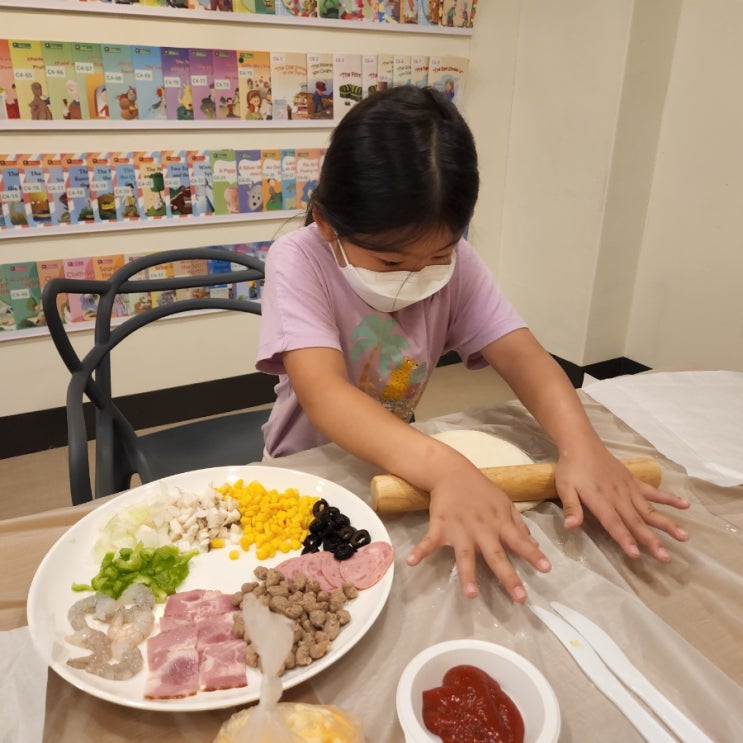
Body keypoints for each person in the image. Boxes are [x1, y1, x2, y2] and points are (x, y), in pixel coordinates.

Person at [256, 85, 690, 603]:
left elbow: (524, 357)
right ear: (328, 224)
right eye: (391, 263)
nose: (417, 274)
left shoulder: (460, 264)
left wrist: (583, 447)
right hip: (309, 468)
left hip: (401, 461)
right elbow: (324, 393)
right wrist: (446, 468)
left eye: (438, 256)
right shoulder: (298, 259)